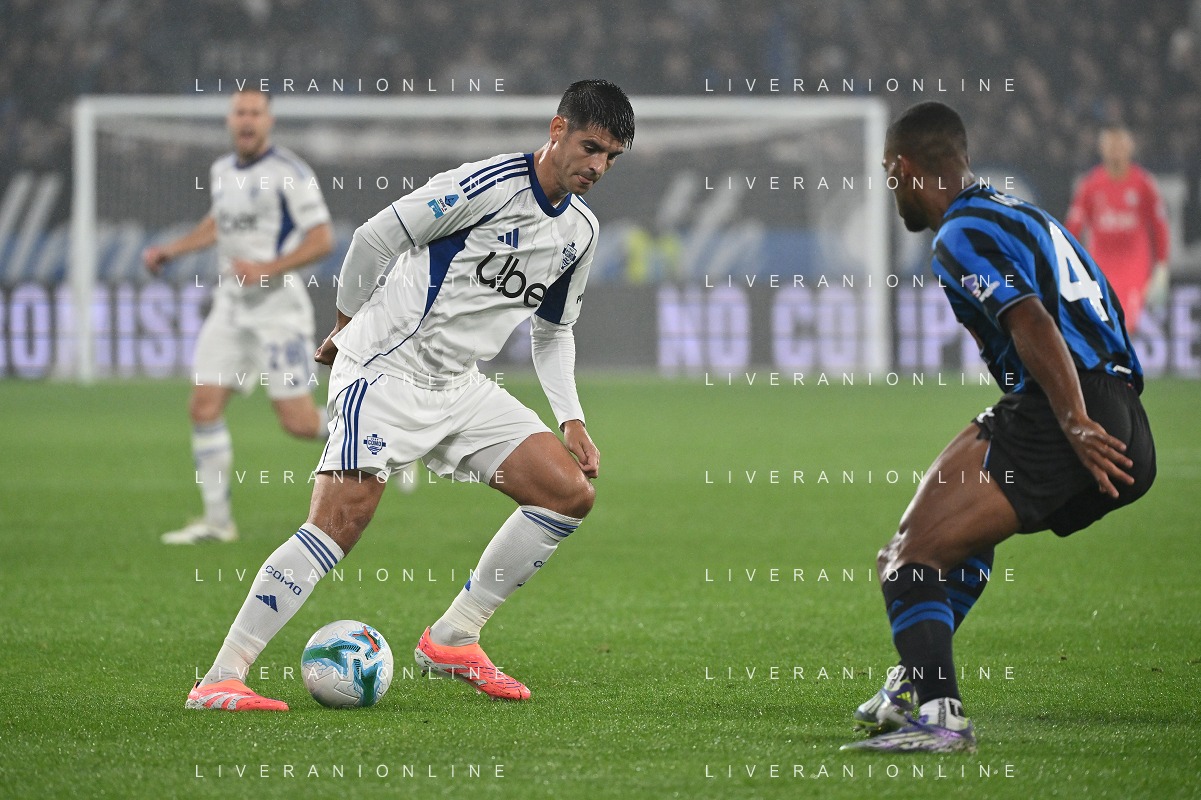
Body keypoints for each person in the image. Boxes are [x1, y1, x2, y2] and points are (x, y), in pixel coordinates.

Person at [185, 79, 633, 711]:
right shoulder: (485, 186)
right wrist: (346, 328)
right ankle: (220, 677)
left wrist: (572, 419)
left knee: (567, 494)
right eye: (591, 147)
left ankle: (454, 637)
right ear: (558, 129)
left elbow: (553, 331)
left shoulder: (580, 232)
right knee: (340, 523)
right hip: (386, 370)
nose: (598, 167)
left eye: (612, 157)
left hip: (460, 387)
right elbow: (373, 239)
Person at [843, 102, 1155, 752]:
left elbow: (1031, 319)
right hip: (1124, 416)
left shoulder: (959, 233)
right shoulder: (1024, 215)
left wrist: (1073, 418)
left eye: (888, 172)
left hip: (1067, 409)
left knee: (906, 557)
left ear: (907, 168)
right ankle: (910, 685)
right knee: (957, 540)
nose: (889, 187)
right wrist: (1101, 412)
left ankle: (940, 717)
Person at [143, 88, 334, 545]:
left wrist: (267, 269)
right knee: (203, 406)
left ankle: (379, 436)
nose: (246, 120)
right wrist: (172, 250)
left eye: (255, 113)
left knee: (299, 424)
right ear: (230, 121)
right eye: (239, 112)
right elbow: (218, 223)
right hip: (230, 307)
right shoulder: (221, 171)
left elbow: (323, 239)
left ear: (268, 122)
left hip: (277, 311)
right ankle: (217, 522)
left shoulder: (290, 173)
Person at [1065, 126, 1171, 333]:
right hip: (1101, 264)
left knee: (1123, 324)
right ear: (1102, 149)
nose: (1116, 152)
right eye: (1111, 146)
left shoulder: (1143, 184)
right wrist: (1064, 259)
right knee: (1102, 326)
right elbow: (1074, 226)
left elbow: (1160, 225)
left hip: (1134, 265)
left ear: (1130, 148)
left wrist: (1162, 265)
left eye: (1120, 146)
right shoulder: (1090, 185)